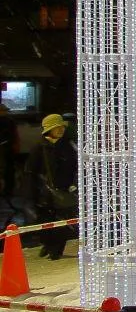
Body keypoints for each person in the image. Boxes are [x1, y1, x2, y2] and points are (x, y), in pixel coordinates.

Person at [25, 114, 78, 260]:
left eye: (62, 127)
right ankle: (49, 245)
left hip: (64, 192)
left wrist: (73, 185)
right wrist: (33, 194)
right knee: (46, 222)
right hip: (45, 195)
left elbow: (74, 167)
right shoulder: (39, 148)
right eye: (57, 127)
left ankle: (55, 249)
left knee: (64, 223)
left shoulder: (67, 146)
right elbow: (31, 173)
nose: (61, 130)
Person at [0, 104, 17, 204]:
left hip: (6, 148)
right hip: (8, 148)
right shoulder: (10, 121)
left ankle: (7, 190)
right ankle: (8, 190)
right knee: (9, 170)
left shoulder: (9, 121)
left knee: (6, 170)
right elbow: (15, 135)